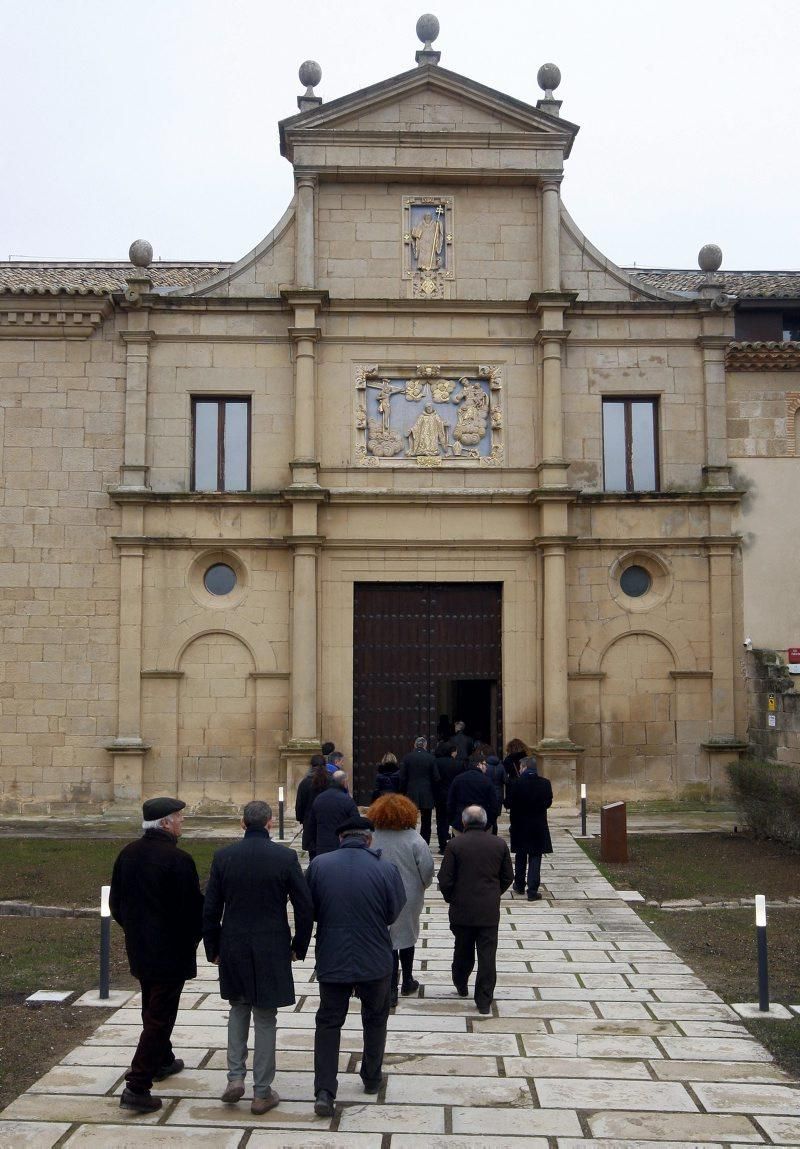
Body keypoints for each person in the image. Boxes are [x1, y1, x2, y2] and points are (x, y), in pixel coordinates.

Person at [202, 800, 314, 1114]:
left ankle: (235, 1077)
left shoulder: (224, 857)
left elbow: (210, 909)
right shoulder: (284, 857)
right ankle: (262, 1091)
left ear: (242, 823)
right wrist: (299, 945)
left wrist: (213, 948)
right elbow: (305, 906)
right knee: (265, 1018)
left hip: (234, 944)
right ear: (269, 823)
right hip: (272, 945)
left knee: (238, 1009)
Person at [306, 814, 406, 1117]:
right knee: (375, 1018)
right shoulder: (386, 869)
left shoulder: (319, 866)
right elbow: (393, 911)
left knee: (328, 1021)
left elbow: (310, 908)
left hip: (333, 954)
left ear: (340, 838)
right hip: (375, 957)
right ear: (369, 839)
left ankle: (324, 1089)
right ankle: (372, 1077)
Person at [110, 797, 203, 1112]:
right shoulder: (178, 859)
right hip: (169, 952)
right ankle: (137, 1086)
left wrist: (135, 931)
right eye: (179, 817)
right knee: (159, 1016)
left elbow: (116, 904)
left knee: (152, 1005)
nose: (182, 822)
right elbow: (192, 910)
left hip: (140, 948)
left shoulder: (128, 854)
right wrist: (192, 940)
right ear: (165, 823)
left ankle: (162, 1059)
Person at [437, 805, 513, 1015]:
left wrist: (451, 897)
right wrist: (494, 893)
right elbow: (508, 876)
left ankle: (461, 982)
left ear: (463, 822)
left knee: (463, 948)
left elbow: (445, 879)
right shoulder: (498, 844)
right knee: (487, 955)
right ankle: (484, 999)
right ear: (486, 822)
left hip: (462, 908)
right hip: (488, 910)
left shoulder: (455, 845)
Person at [367, 793, 435, 1006]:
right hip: (408, 894)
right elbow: (427, 869)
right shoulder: (415, 839)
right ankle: (407, 980)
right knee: (407, 936)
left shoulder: (372, 837)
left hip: (378, 892)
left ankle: (390, 988)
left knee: (387, 939)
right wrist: (422, 885)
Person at [507, 755, 553, 901]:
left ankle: (519, 884)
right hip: (538, 825)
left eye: (520, 767)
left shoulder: (515, 783)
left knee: (520, 855)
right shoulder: (545, 783)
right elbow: (548, 802)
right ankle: (532, 890)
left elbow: (508, 803)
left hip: (520, 824)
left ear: (525, 767)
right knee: (535, 857)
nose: (519, 770)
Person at [304, 770, 358, 858]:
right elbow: (355, 823)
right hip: (342, 845)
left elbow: (311, 825)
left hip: (322, 845)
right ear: (344, 782)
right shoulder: (347, 800)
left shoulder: (319, 799)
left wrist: (312, 844)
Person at [399, 735, 439, 844]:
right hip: (427, 793)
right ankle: (424, 843)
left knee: (410, 820)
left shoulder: (407, 757)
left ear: (415, 745)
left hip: (411, 793)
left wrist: (402, 793)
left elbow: (402, 777)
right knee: (426, 822)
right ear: (425, 745)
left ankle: (409, 842)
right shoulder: (431, 758)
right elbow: (436, 778)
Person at [447, 756, 498, 836]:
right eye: (485, 764)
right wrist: (490, 821)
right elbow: (494, 804)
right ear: (479, 765)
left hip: (460, 823)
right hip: (482, 823)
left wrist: (453, 820)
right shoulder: (487, 780)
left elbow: (451, 802)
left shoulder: (458, 779)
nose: (486, 768)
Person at [433, 741, 464, 853]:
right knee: (456, 820)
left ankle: (442, 846)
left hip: (440, 796)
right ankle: (455, 845)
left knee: (441, 822)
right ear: (452, 752)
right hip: (454, 796)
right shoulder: (458, 764)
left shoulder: (436, 762)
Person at [295, 754, 329, 829]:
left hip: (309, 821)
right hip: (328, 820)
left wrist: (300, 818)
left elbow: (300, 804)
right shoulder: (332, 781)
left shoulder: (305, 783)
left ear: (311, 766)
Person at [502, 738, 529, 803]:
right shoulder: (527, 758)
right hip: (526, 781)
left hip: (513, 782)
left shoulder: (508, 759)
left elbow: (505, 771)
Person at [485, 754, 506, 834]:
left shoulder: (486, 766)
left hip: (488, 793)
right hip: (498, 793)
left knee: (487, 814)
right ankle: (494, 834)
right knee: (495, 817)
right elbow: (505, 780)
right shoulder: (501, 766)